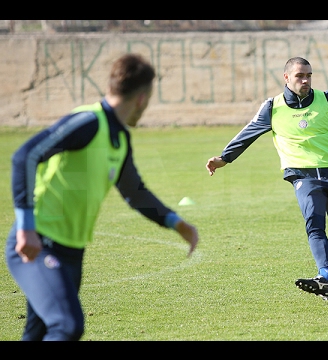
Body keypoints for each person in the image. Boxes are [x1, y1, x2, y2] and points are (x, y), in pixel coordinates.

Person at [6, 53, 199, 341]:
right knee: (67, 326)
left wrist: (176, 223)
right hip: (37, 244)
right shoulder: (88, 121)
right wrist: (26, 226)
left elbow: (134, 192)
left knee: (38, 333)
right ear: (143, 98)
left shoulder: (119, 138)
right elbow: (25, 156)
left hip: (72, 252)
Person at [206, 57, 328, 300]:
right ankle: (325, 276)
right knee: (315, 225)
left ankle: (323, 280)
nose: (305, 80)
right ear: (286, 78)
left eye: (309, 75)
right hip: (302, 176)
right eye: (299, 76)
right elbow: (247, 134)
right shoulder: (273, 107)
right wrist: (224, 158)